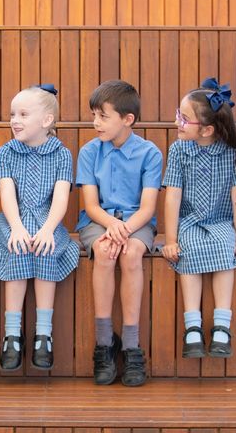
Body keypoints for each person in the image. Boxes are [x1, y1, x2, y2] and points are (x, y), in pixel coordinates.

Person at [0, 84, 80, 371]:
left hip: (48, 220)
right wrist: (18, 228)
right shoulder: (7, 152)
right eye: (12, 114)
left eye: (23, 114)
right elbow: (7, 195)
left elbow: (60, 198)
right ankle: (12, 333)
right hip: (13, 218)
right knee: (18, 247)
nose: (14, 120)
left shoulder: (62, 154)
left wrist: (47, 229)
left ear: (46, 121)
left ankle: (43, 334)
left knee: (46, 249)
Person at [161, 77, 236, 359]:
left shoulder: (231, 153)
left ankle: (221, 327)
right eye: (179, 115)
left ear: (207, 130)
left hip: (220, 221)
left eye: (185, 118)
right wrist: (170, 240)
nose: (177, 121)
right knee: (187, 250)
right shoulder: (179, 149)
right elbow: (173, 196)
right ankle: (192, 326)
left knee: (225, 250)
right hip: (190, 220)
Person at [75, 80, 162, 386]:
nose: (95, 123)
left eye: (103, 116)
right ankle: (103, 344)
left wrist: (125, 230)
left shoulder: (150, 153)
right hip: (99, 220)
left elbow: (148, 208)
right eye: (94, 115)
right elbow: (91, 205)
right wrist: (112, 227)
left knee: (132, 253)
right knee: (103, 251)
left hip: (136, 223)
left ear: (128, 120)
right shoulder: (89, 152)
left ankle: (131, 345)